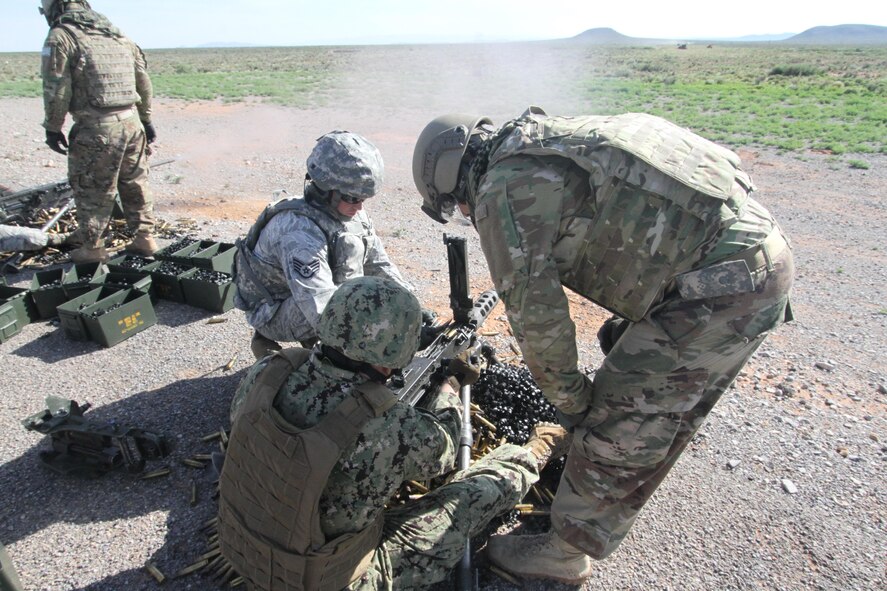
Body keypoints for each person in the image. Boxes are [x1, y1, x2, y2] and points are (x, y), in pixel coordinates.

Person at [412, 107, 794, 583]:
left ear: (451, 178)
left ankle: (563, 553)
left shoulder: (499, 190)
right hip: (753, 257)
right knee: (646, 386)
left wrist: (574, 404)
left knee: (617, 421)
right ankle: (599, 498)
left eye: (456, 206)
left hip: (720, 287)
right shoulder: (540, 140)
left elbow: (539, 320)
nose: (465, 214)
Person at [217, 276, 569, 590]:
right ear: (390, 358)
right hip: (320, 580)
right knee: (472, 495)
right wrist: (448, 386)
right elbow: (446, 450)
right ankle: (538, 449)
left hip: (242, 547)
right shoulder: (388, 429)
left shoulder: (266, 372)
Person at [234, 131, 421, 360]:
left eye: (363, 199)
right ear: (325, 190)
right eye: (352, 198)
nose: (359, 207)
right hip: (274, 309)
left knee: (371, 294)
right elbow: (322, 310)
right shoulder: (298, 233)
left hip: (308, 295)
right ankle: (289, 354)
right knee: (357, 308)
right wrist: (372, 350)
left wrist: (412, 309)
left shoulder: (348, 212)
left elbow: (378, 263)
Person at [39, 0, 157, 264]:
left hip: (98, 129)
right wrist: (146, 120)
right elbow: (143, 80)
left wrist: (52, 127)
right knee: (135, 183)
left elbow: (56, 88)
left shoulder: (62, 36)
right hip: (131, 123)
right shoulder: (115, 33)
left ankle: (93, 250)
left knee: (93, 190)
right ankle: (145, 238)